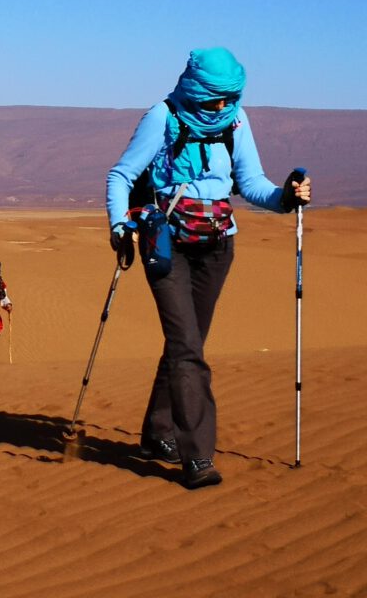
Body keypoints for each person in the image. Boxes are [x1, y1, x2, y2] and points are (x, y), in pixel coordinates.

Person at [106, 47, 311, 489]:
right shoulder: (162, 117)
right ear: (195, 88)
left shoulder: (236, 121)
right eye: (215, 98)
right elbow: (121, 176)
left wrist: (286, 198)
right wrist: (120, 225)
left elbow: (251, 183)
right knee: (187, 348)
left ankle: (157, 434)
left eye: (230, 97)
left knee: (188, 343)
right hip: (167, 245)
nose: (221, 106)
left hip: (218, 246)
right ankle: (197, 456)